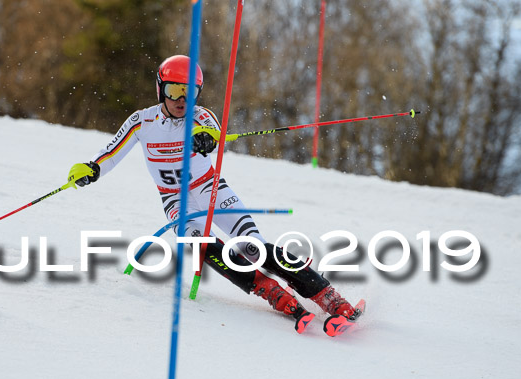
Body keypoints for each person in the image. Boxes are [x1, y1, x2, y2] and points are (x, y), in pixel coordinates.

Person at [69, 54, 358, 333]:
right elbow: (111, 153)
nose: (182, 100)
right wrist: (92, 169)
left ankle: (329, 297)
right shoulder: (141, 122)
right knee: (204, 247)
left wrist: (206, 138)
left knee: (251, 248)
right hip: (175, 201)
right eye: (174, 91)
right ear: (160, 89)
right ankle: (271, 292)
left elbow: (211, 130)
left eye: (190, 92)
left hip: (211, 190)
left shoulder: (200, 115)